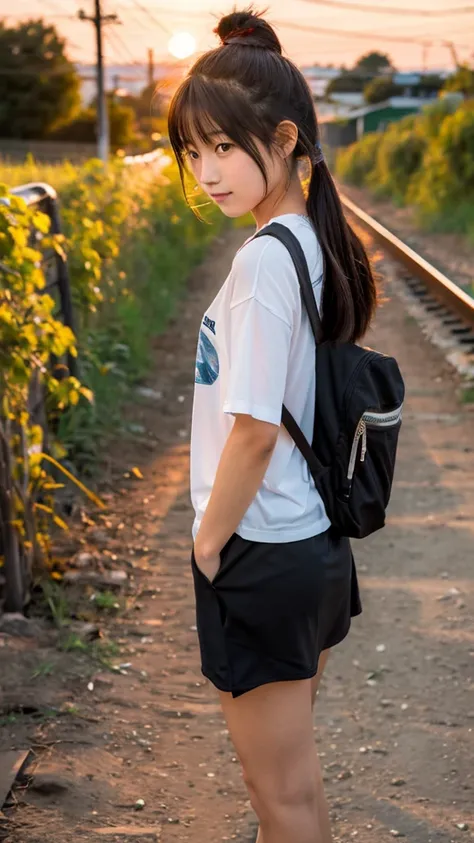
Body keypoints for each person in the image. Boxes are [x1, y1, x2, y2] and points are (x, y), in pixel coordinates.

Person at [168, 8, 377, 843]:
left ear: (284, 138)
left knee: (280, 798)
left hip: (263, 549)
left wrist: (208, 543)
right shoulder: (308, 242)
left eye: (223, 146)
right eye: (192, 151)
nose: (206, 170)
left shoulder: (263, 261)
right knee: (293, 790)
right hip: (310, 543)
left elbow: (253, 430)